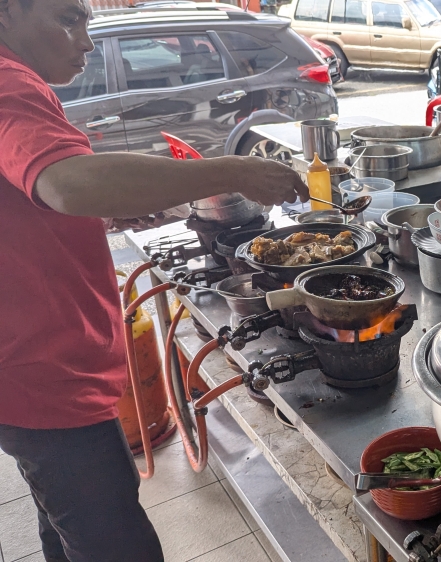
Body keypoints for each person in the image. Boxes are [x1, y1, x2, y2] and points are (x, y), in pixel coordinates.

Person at [0, 0, 308, 559]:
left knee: (64, 525)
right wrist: (234, 169)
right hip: (42, 373)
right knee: (116, 545)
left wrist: (107, 213)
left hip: (37, 364)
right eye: (68, 19)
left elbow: (35, 203)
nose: (87, 40)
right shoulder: (6, 83)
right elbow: (67, 184)